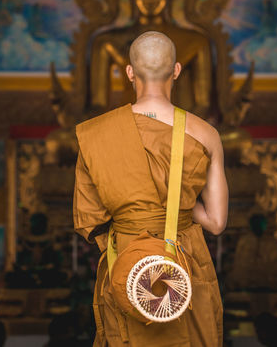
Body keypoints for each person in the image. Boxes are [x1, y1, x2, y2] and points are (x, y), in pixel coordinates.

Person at [73, 31, 228, 346]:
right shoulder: (206, 134)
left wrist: (135, 215)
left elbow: (89, 218)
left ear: (129, 72)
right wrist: (180, 204)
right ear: (177, 71)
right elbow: (216, 222)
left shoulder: (97, 135)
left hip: (127, 264)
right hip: (184, 263)